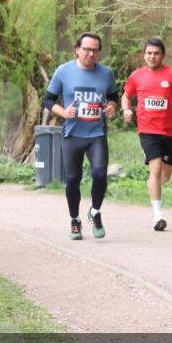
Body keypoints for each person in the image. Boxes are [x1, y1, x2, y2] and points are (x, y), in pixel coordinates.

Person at [43, 32, 119, 240]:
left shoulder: (106, 73)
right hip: (73, 134)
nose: (90, 54)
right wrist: (63, 112)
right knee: (73, 178)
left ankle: (95, 212)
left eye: (94, 50)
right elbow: (48, 100)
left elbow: (113, 96)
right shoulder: (64, 71)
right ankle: (75, 220)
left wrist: (111, 107)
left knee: (100, 174)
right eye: (86, 49)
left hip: (96, 134)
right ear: (77, 49)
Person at [121, 38, 172, 231]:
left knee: (165, 176)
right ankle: (157, 215)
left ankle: (155, 189)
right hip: (147, 131)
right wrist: (126, 110)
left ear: (163, 55)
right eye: (149, 53)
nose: (152, 57)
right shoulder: (137, 76)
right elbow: (126, 95)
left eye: (156, 53)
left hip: (169, 132)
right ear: (144, 55)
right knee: (156, 169)